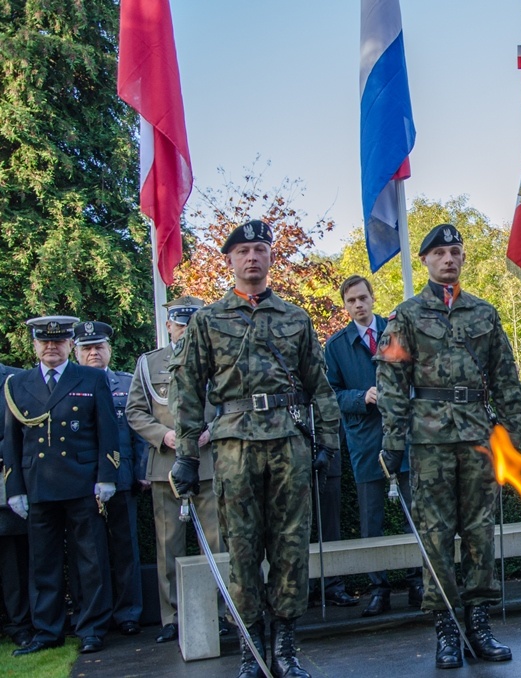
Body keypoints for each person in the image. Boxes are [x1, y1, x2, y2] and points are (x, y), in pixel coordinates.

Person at [169, 220, 342, 678]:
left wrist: (325, 442)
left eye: (260, 249)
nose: (252, 257)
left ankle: (285, 646)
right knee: (242, 550)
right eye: (243, 250)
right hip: (233, 447)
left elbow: (319, 387)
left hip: (288, 442)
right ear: (229, 260)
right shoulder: (207, 320)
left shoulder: (295, 318)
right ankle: (251, 648)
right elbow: (187, 389)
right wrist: (186, 455)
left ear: (270, 258)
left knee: (290, 547)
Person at [376, 223, 521, 670]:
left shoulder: (484, 313)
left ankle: (478, 623)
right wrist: (392, 439)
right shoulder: (404, 316)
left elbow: (506, 378)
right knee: (436, 535)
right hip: (430, 440)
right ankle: (446, 626)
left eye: (455, 251)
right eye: (439, 252)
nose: (448, 258)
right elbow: (391, 381)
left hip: (478, 435)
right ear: (425, 260)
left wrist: (513, 436)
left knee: (480, 532)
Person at [3, 316, 118, 655]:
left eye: (58, 341)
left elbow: (107, 431)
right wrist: (14, 489)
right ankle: (46, 631)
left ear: (70, 344)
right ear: (35, 345)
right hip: (39, 484)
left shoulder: (92, 378)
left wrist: (106, 477)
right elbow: (10, 443)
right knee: (43, 563)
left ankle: (93, 628)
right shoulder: (17, 384)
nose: (51, 347)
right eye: (44, 342)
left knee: (91, 560)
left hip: (83, 483)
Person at [126, 296, 227, 644]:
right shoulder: (148, 364)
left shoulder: (219, 359)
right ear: (168, 325)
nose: (184, 331)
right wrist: (164, 435)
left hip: (209, 461)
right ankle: (173, 616)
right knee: (169, 545)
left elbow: (229, 405)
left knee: (215, 542)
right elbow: (136, 411)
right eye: (179, 324)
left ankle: (219, 611)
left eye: (190, 325)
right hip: (166, 465)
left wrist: (210, 431)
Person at [323, 275, 421, 617]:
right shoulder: (335, 347)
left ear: (373, 298)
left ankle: (417, 582)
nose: (358, 305)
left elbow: (417, 377)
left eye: (363, 298)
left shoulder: (396, 332)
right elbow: (329, 395)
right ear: (345, 305)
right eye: (351, 301)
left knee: (414, 513)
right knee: (371, 519)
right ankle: (378, 588)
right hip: (365, 440)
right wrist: (360, 397)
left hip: (404, 435)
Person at [71, 320, 147, 637]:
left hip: (123, 477)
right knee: (88, 553)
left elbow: (140, 432)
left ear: (109, 350)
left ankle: (129, 613)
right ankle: (93, 618)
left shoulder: (127, 385)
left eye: (99, 347)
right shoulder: (70, 387)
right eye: (87, 348)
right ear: (76, 353)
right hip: (82, 482)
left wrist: (142, 472)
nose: (93, 353)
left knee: (125, 548)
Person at [0, 360, 32, 649]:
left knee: (13, 561)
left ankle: (20, 623)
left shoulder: (16, 379)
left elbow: (23, 434)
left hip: (5, 482)